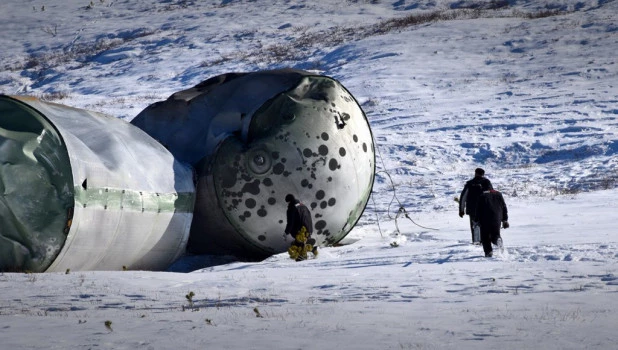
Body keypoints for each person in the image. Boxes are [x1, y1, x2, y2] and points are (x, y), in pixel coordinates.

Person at [475, 181, 509, 257]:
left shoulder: (481, 195)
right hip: (497, 218)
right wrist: (504, 219)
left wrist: (476, 219)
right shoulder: (498, 194)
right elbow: (504, 207)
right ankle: (497, 241)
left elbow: (478, 209)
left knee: (485, 236)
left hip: (485, 219)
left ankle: (488, 252)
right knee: (495, 234)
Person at [459, 168, 493, 244]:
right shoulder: (487, 183)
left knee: (475, 226)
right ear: (483, 174)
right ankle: (486, 242)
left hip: (472, 209)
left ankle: (476, 242)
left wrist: (461, 210)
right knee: (485, 226)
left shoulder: (470, 183)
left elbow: (463, 197)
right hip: (485, 209)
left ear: (475, 173)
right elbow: (492, 195)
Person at [284, 194, 317, 260]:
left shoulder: (291, 208)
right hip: (308, 228)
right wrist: (310, 229)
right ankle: (312, 250)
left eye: (287, 202)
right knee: (302, 242)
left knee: (299, 244)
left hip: (299, 229)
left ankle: (302, 257)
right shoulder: (303, 206)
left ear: (289, 201)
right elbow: (309, 217)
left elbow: (290, 222)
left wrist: (286, 232)